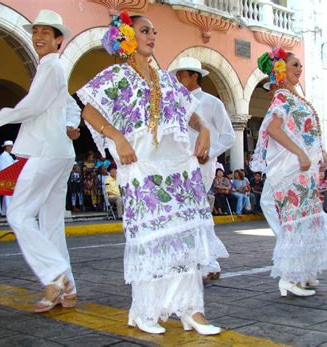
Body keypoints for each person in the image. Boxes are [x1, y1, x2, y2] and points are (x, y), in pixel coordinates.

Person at [77, 12, 227, 335]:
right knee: (149, 240)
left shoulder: (166, 79)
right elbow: (88, 109)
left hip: (178, 172)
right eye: (145, 30)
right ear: (128, 37)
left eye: (154, 31)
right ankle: (145, 311)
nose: (152, 36)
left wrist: (203, 131)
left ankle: (192, 311)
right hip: (143, 170)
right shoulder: (118, 76)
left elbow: (190, 112)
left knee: (185, 237)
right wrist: (117, 137)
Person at [0, 9, 81, 311]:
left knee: (18, 214)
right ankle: (67, 290)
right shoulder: (54, 69)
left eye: (47, 33)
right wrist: (72, 123)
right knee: (51, 223)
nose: (39, 37)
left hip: (46, 152)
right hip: (59, 153)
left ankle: (55, 276)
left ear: (59, 40)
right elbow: (67, 104)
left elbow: (30, 107)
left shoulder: (51, 67)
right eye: (36, 32)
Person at [251, 49, 327, 297]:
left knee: (306, 220)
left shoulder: (296, 98)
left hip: (305, 169)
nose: (299, 69)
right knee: (294, 220)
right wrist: (300, 153)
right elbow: (274, 130)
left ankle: (302, 271)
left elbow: (306, 130)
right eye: (293, 65)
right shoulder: (281, 97)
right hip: (292, 168)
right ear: (280, 69)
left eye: (300, 65)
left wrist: (319, 152)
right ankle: (289, 278)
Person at [170, 57, 235, 282]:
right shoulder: (175, 102)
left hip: (201, 165)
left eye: (181, 76)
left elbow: (229, 135)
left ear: (193, 76)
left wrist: (209, 152)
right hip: (178, 165)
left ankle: (205, 262)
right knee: (191, 212)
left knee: (195, 210)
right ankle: (205, 262)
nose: (178, 80)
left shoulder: (211, 103)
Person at [0, 140, 15, 216]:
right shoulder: (3, 156)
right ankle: (9, 212)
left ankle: (4, 211)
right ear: (7, 147)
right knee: (8, 196)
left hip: (10, 177)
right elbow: (2, 168)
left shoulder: (9, 156)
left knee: (8, 196)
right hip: (6, 178)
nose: (11, 148)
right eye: (11, 147)